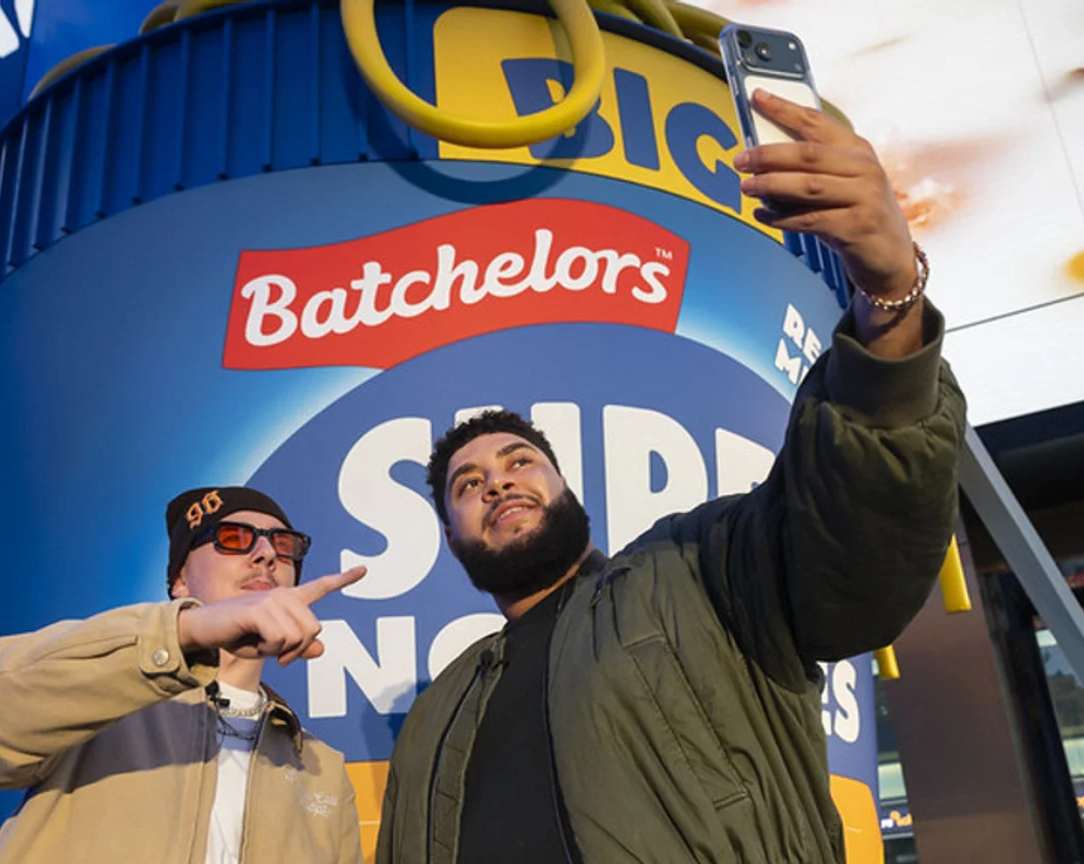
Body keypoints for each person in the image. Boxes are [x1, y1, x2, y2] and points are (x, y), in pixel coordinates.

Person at [374, 89, 969, 864]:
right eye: (467, 484)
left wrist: (889, 307)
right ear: (451, 538)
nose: (497, 482)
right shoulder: (436, 716)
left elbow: (855, 542)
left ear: (566, 490)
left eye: (520, 461)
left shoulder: (696, 568)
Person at [0, 486, 368, 864]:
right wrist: (190, 629)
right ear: (180, 580)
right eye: (233, 538)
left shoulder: (321, 769)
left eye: (283, 544)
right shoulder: (102, 700)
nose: (266, 554)